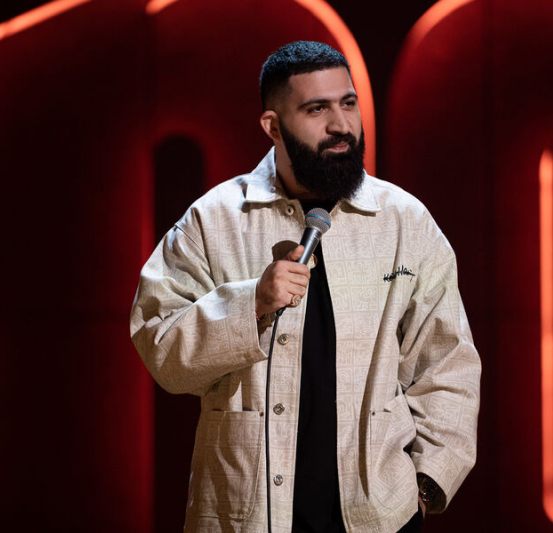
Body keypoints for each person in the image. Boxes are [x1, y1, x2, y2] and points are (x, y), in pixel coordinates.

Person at [130, 41, 481, 533]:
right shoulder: (214, 219)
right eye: (317, 109)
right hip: (247, 516)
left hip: (379, 517)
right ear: (273, 126)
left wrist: (423, 487)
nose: (341, 124)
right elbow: (160, 347)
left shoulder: (404, 221)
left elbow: (448, 365)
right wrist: (250, 303)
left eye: (348, 103)